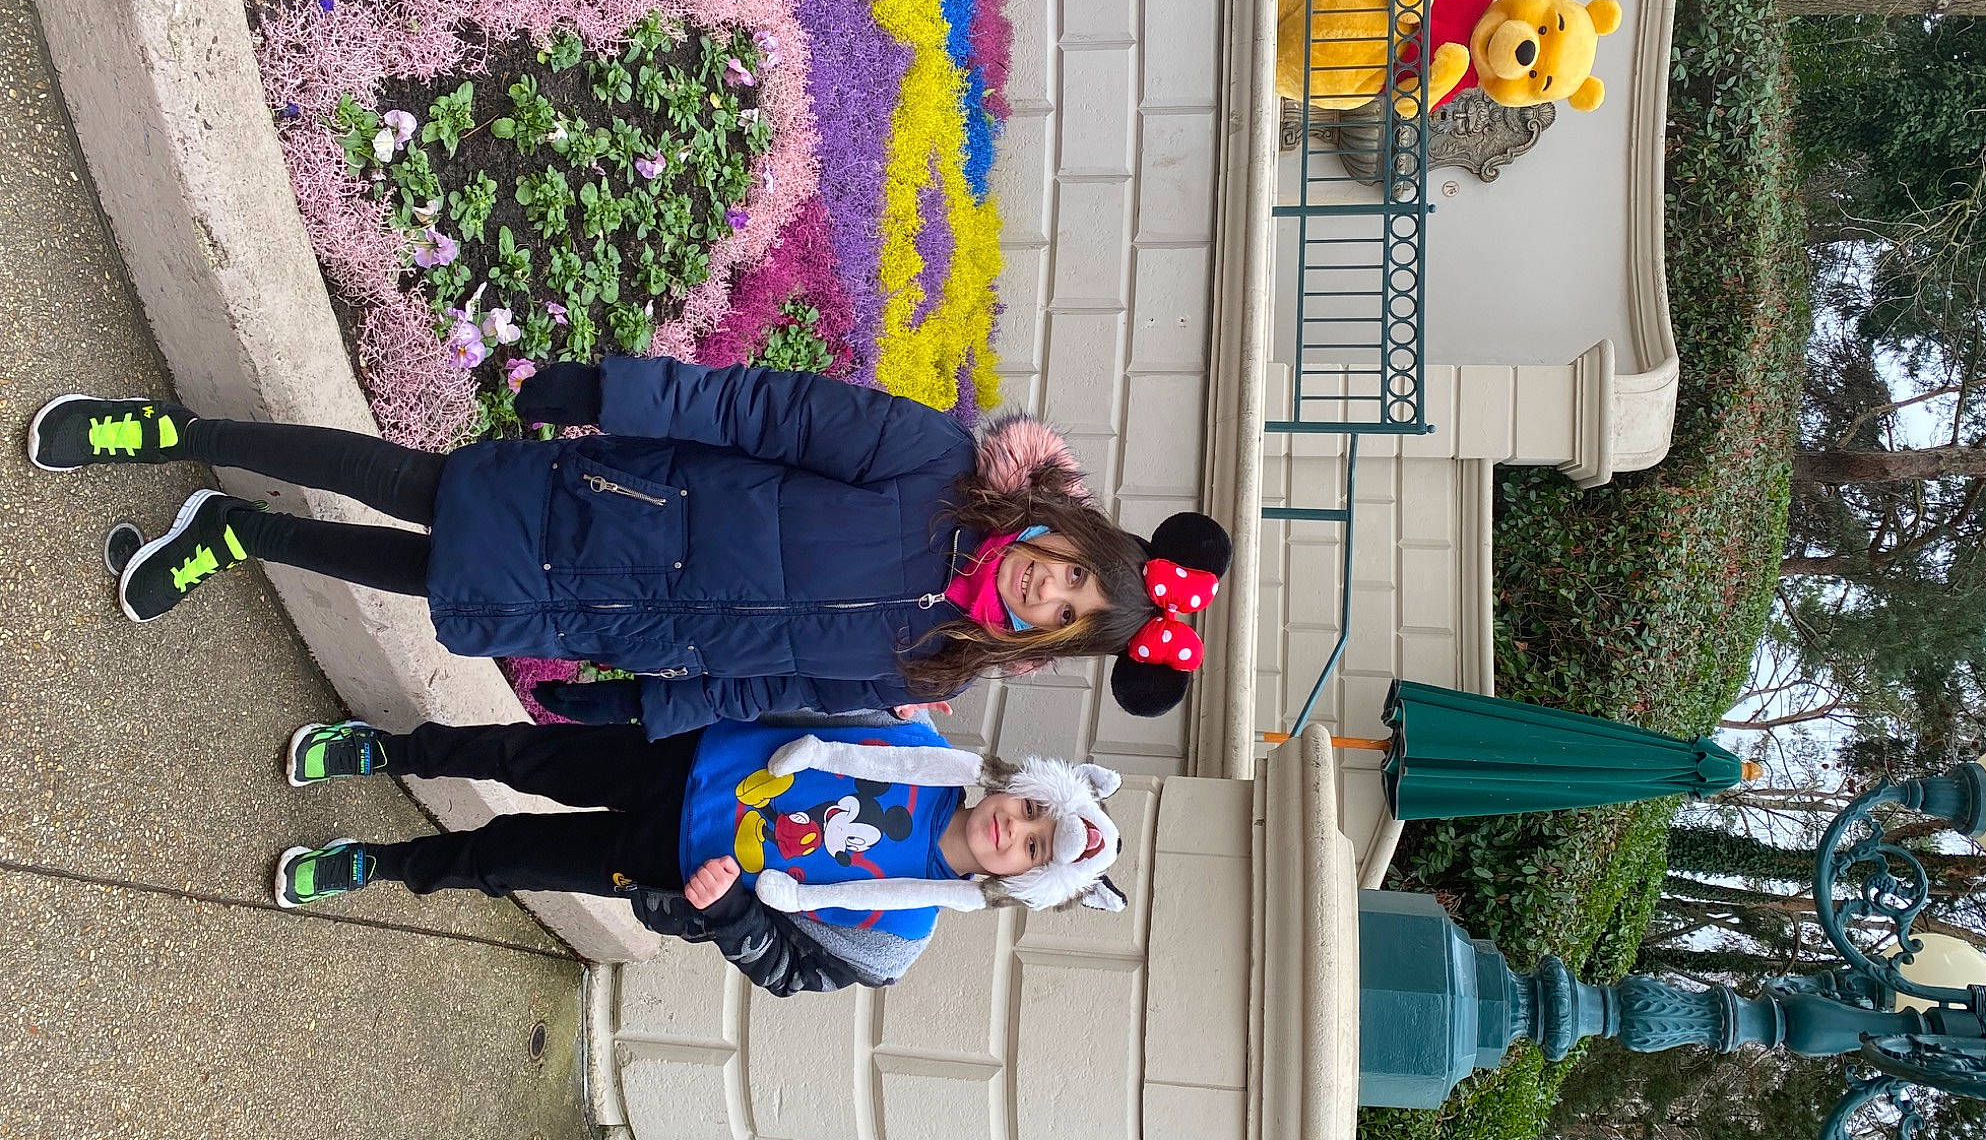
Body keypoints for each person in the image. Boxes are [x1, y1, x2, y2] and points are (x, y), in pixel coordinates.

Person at [27, 360, 1232, 728]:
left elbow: (768, 690)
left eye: (1070, 607)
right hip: (618, 505)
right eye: (1073, 564)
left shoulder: (925, 668)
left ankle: (234, 531)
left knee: (430, 576)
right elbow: (763, 410)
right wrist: (622, 392)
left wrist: (641, 707)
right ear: (1068, 526)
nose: (1051, 585)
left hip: (622, 616)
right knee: (407, 485)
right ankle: (169, 432)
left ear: (1057, 638)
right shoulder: (931, 463)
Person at [270, 714, 1127, 995]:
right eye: (1028, 812)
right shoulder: (914, 736)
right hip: (675, 756)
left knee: (507, 858)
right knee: (519, 757)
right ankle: (389, 750)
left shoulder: (898, 935)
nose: (1013, 831)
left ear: (1023, 880)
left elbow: (790, 971)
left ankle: (382, 864)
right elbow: (800, 686)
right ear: (1018, 786)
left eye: (1034, 847)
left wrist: (727, 912)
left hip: (664, 863)